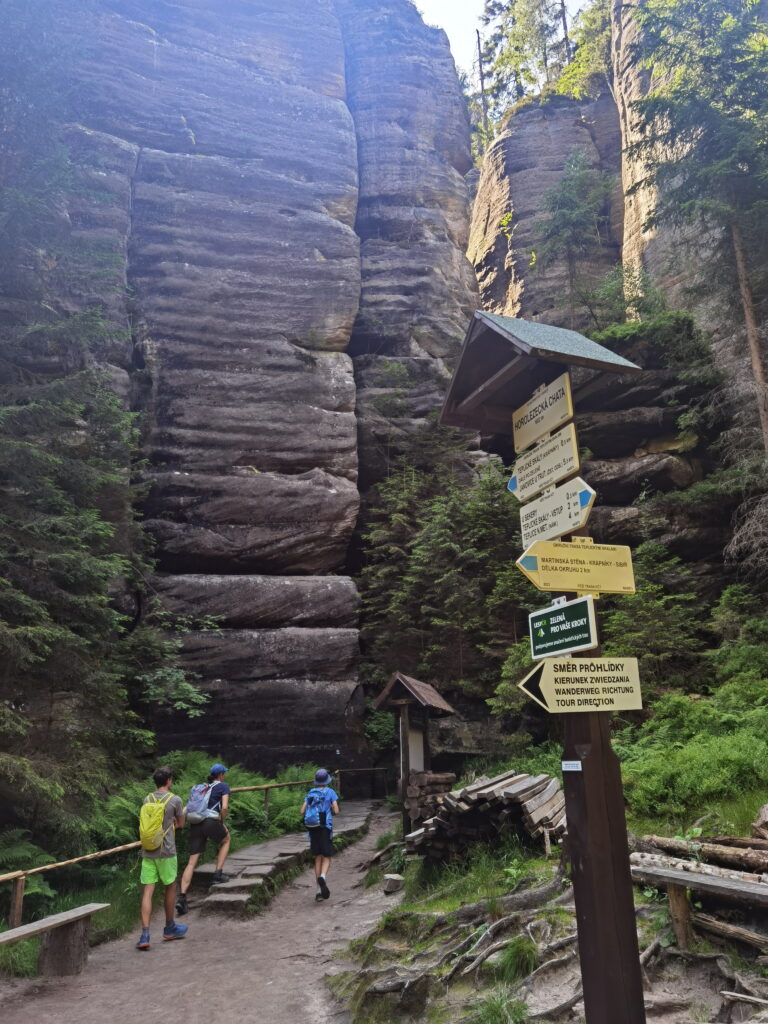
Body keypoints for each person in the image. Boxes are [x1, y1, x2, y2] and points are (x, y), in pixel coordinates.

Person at [136, 765, 187, 950]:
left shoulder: (146, 799)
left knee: (148, 891)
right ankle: (169, 927)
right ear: (169, 781)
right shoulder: (175, 800)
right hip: (166, 852)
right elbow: (181, 824)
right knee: (170, 886)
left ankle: (144, 935)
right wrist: (174, 822)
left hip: (148, 851)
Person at [176, 763, 231, 916]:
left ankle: (182, 898)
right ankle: (218, 874)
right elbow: (225, 807)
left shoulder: (201, 787)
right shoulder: (223, 786)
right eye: (224, 774)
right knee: (226, 839)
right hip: (210, 821)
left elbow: (187, 807)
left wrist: (178, 823)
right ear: (220, 775)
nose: (224, 776)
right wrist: (221, 821)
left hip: (195, 823)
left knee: (192, 862)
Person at [301, 768, 339, 902]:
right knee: (327, 857)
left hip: (312, 829)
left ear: (316, 781)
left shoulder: (311, 792)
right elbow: (336, 810)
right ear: (327, 780)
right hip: (325, 828)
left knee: (317, 857)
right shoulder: (330, 792)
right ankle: (323, 876)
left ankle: (318, 891)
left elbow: (302, 811)